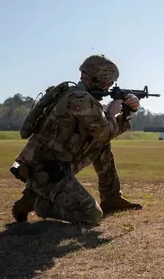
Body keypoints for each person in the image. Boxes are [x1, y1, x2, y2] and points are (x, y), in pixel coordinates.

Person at [10, 54, 142, 227]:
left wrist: (124, 113)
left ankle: (111, 199)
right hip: (48, 173)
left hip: (55, 166)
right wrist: (115, 112)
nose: (110, 87)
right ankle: (38, 203)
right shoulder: (80, 99)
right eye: (109, 82)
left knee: (101, 147)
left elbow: (99, 135)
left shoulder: (75, 95)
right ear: (100, 78)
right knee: (92, 216)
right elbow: (104, 132)